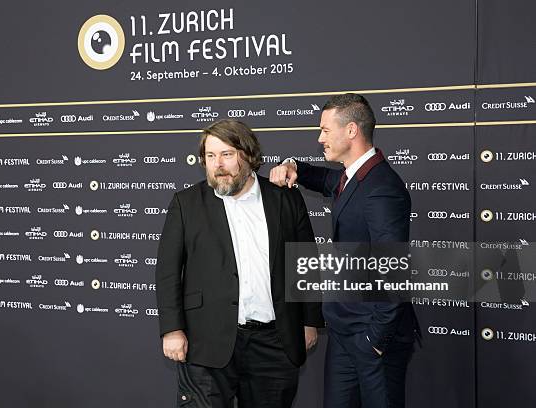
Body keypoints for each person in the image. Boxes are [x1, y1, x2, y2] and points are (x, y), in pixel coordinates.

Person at [155, 119, 324, 408]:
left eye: (226, 154)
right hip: (206, 341)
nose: (217, 164)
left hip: (274, 343)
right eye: (210, 156)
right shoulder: (187, 203)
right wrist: (172, 329)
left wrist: (309, 321)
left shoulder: (285, 199)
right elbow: (168, 270)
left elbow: (304, 262)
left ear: (247, 155)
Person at [269, 93, 419, 408]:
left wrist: (374, 341)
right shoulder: (355, 176)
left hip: (373, 336)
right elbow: (327, 179)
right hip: (345, 331)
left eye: (325, 130)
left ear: (351, 131)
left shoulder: (382, 189)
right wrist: (294, 166)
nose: (319, 137)